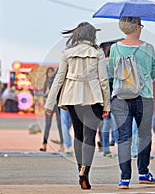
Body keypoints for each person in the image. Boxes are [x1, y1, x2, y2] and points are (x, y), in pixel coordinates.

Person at [45, 22, 110, 190]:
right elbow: (103, 80)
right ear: (91, 35)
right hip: (93, 98)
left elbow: (59, 78)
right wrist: (107, 105)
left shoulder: (67, 53)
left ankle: (79, 169)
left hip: (72, 97)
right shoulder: (97, 53)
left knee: (78, 136)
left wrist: (50, 103)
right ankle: (85, 171)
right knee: (90, 137)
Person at [109, 16, 155, 189]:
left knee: (123, 138)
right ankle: (144, 173)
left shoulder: (114, 48)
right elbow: (154, 73)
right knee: (144, 135)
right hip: (144, 96)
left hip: (121, 97)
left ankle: (124, 178)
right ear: (137, 27)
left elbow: (111, 71)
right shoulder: (149, 48)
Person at [40, 67, 64, 152]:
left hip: (57, 104)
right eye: (49, 72)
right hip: (49, 104)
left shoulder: (57, 82)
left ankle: (62, 145)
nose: (50, 74)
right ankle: (44, 144)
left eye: (51, 72)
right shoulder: (46, 83)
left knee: (60, 125)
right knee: (47, 125)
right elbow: (43, 94)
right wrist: (45, 95)